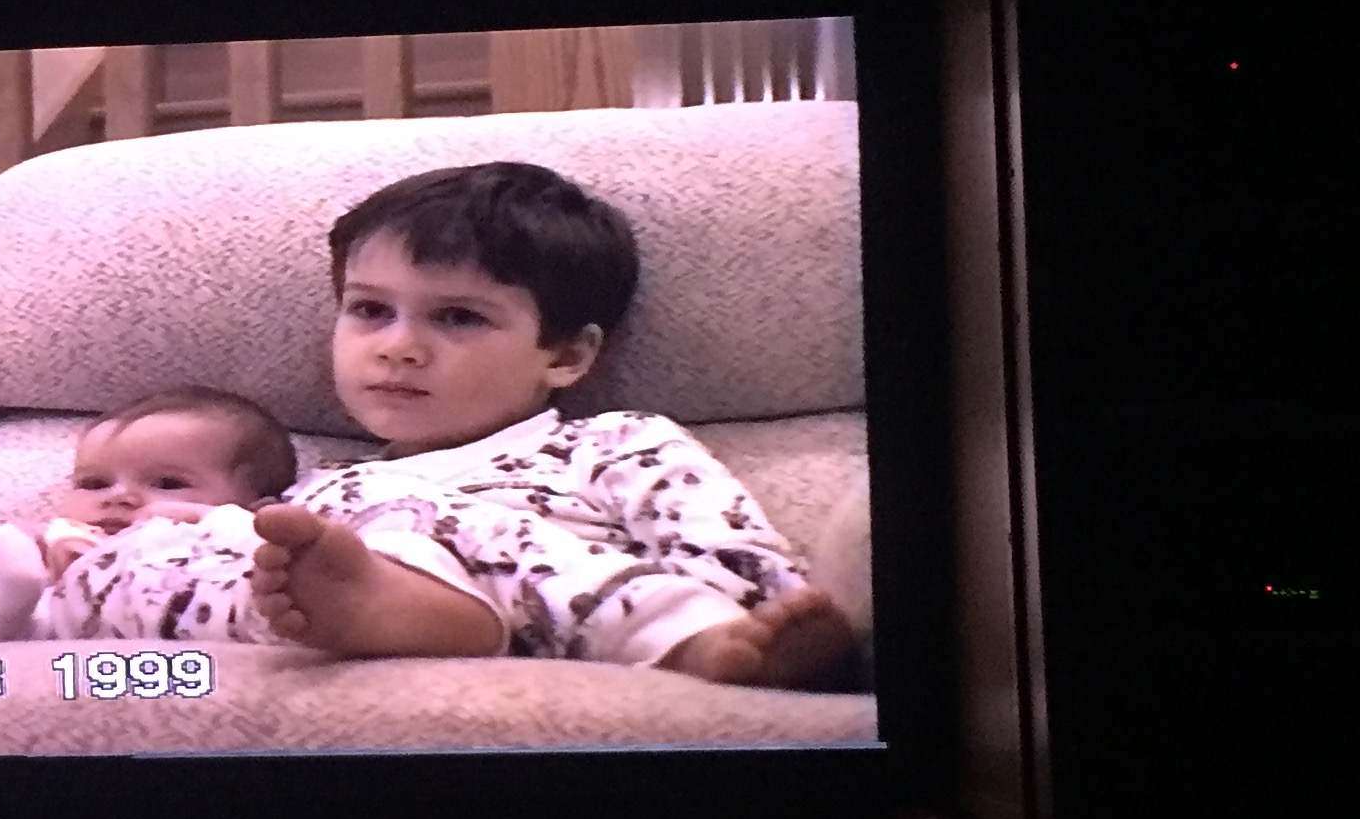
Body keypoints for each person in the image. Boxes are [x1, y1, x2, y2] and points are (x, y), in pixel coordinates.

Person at [43, 162, 855, 684]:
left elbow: (740, 568)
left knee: (402, 518)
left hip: (548, 609)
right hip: (298, 614)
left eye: (458, 317)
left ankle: (648, 635)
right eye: (370, 310)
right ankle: (375, 606)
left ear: (566, 354)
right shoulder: (318, 491)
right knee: (163, 551)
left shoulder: (615, 443)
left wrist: (751, 629)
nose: (397, 347)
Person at [0, 387, 298, 648]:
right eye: (94, 483)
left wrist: (227, 527)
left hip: (81, 642)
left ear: (255, 509)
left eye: (168, 483)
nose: (119, 498)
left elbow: (258, 562)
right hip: (14, 610)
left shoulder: (225, 546)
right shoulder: (46, 541)